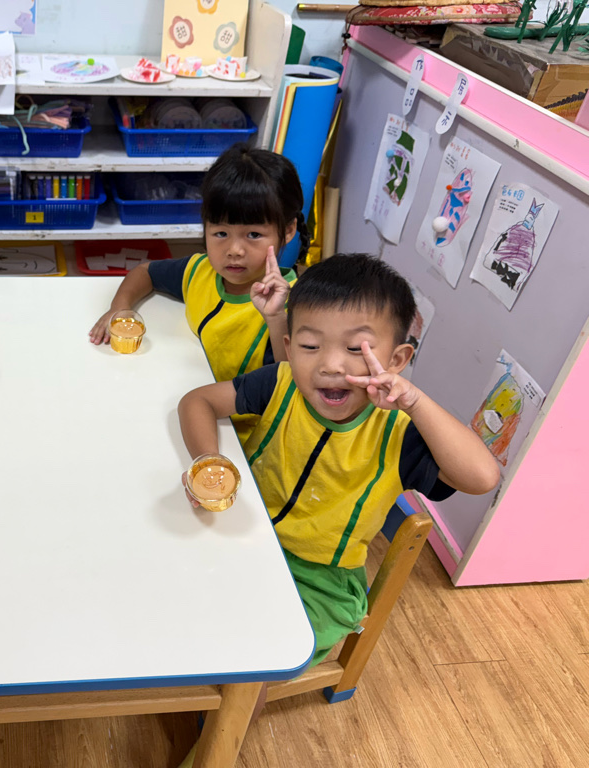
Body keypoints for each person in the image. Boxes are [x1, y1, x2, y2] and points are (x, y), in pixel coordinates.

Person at [178, 253, 499, 671]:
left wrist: (415, 402)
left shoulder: (399, 433)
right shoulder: (281, 383)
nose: (330, 365)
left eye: (354, 348)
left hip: (320, 582)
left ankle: (230, 712)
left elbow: (482, 477)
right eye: (311, 346)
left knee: (259, 659)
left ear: (396, 360)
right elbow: (197, 401)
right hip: (245, 534)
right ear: (290, 349)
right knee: (184, 608)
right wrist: (210, 462)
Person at [89, 145, 308, 438]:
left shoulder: (296, 304)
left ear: (288, 230)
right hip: (183, 402)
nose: (234, 250)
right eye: (221, 233)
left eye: (253, 234)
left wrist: (276, 318)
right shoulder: (199, 271)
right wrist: (120, 307)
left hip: (241, 434)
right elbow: (145, 272)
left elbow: (290, 384)